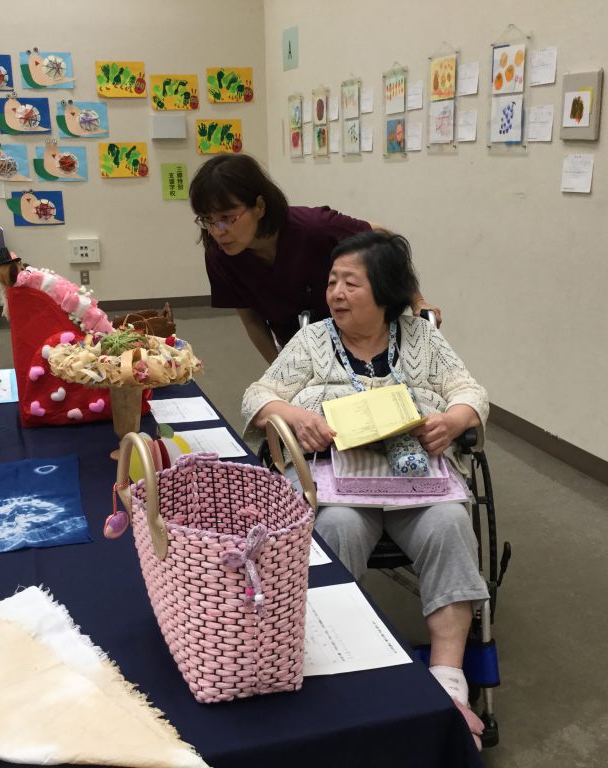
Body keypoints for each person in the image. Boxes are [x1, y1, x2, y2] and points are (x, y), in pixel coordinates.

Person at [241, 230, 488, 750]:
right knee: (334, 529)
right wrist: (293, 416)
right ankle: (341, 668)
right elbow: (258, 395)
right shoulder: (312, 340)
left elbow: (469, 391)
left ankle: (449, 684)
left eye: (350, 283)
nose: (335, 293)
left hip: (418, 482)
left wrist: (453, 418)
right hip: (337, 484)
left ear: (385, 291)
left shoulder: (421, 338)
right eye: (332, 281)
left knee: (451, 524)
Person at [189, 154, 440, 363]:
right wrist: (279, 370)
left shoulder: (314, 228)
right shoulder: (220, 257)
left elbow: (384, 239)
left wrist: (417, 301)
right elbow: (252, 321)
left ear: (260, 206)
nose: (218, 231)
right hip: (301, 347)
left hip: (363, 339)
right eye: (207, 219)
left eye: (227, 217)